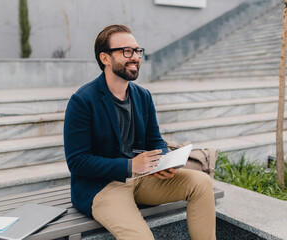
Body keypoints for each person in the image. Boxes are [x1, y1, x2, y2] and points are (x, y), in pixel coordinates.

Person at [64, 24, 216, 240]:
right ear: (105, 58)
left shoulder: (142, 96)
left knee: (201, 183)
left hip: (143, 178)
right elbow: (77, 161)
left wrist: (165, 161)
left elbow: (155, 140)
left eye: (137, 51)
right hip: (102, 187)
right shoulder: (82, 101)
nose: (135, 56)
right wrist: (129, 165)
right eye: (126, 51)